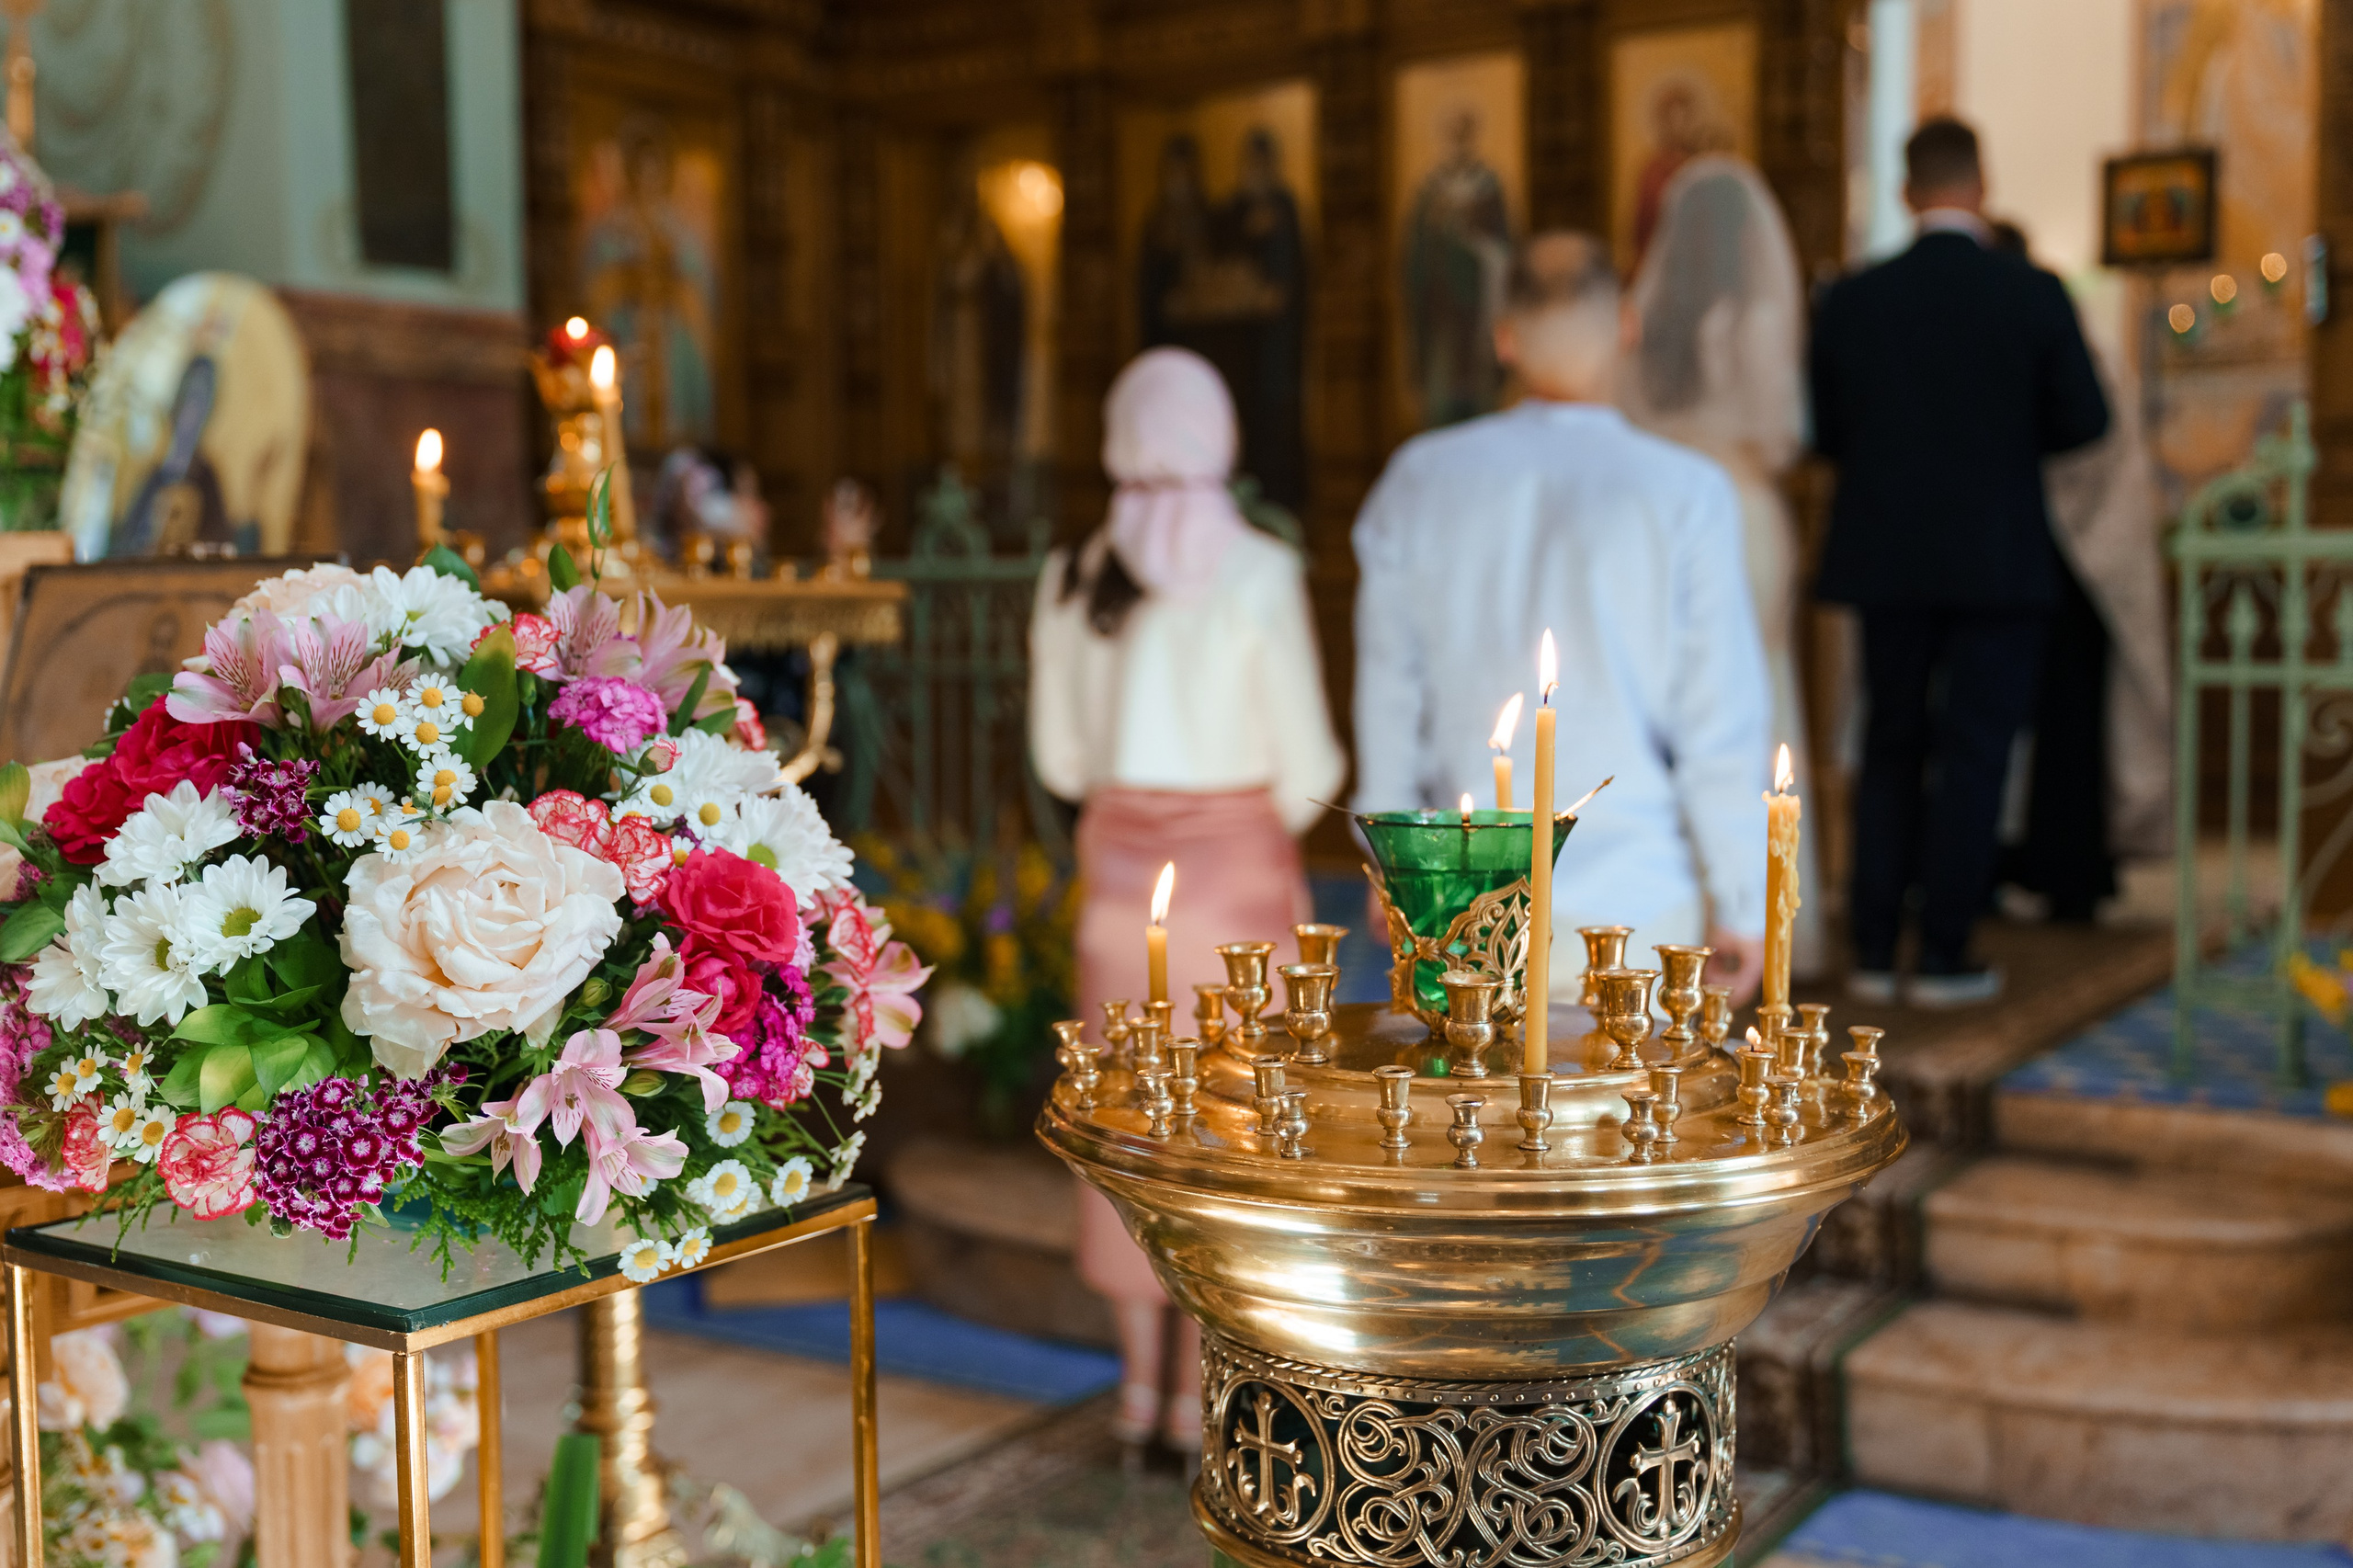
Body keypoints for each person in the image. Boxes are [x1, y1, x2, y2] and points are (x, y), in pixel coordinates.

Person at [1029, 346, 1345, 1457]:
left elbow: (1062, 759)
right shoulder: (1259, 568)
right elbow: (1312, 759)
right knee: (1236, 1129)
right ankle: (1223, 1387)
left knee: (1128, 1123)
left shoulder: (1073, 570)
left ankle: (1137, 1394)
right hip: (1238, 884)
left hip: (1120, 888)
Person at [1354, 232, 1770, 1001]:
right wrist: (1745, 898)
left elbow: (1388, 691)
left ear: (1502, 338)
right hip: (1637, 897)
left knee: (1471, 1117)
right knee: (1631, 1120)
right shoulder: (1685, 492)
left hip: (1460, 895)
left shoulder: (1420, 480)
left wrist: (1393, 863)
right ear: (1627, 327)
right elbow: (1720, 716)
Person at [1810, 119, 2110, 1006]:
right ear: (1981, 185)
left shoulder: (1856, 300)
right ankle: (1944, 953)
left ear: (1907, 193)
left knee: (1892, 742)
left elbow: (1826, 432)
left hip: (1888, 560)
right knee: (1976, 754)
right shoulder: (2032, 291)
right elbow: (2087, 421)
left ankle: (1871, 944)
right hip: (1997, 557)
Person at [1622, 154, 1824, 983]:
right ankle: (1763, 914)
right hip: (1739, 507)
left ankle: (1678, 920)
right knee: (1756, 695)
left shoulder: (1646, 313)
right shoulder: (1755, 312)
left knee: (1675, 706)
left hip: (1660, 510)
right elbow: (1781, 432)